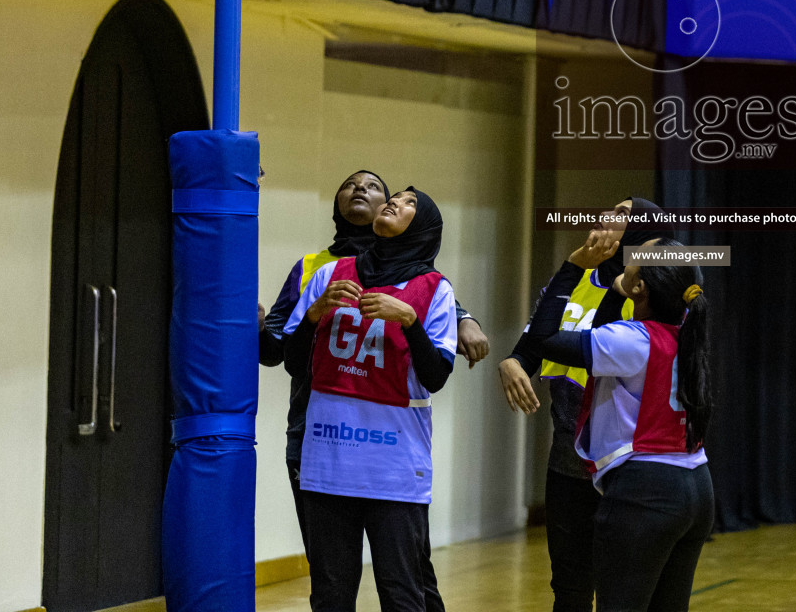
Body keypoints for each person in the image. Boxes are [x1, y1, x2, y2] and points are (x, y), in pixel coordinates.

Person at [259, 170, 489, 553]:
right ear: (337, 202)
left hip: (388, 445)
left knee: (410, 573)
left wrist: (465, 318)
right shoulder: (315, 268)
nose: (359, 189)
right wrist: (257, 328)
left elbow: (431, 312)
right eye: (349, 183)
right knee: (329, 569)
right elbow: (278, 351)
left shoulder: (420, 276)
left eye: (374, 186)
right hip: (315, 432)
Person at [283, 187, 458, 612]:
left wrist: (411, 323)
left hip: (394, 469)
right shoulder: (329, 276)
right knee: (330, 594)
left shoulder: (434, 290)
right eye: (395, 197)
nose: (396, 202)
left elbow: (435, 377)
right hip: (329, 460)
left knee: (402, 593)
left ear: (423, 227)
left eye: (411, 203)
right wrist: (312, 315)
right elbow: (292, 363)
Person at [498, 198, 666, 612]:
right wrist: (514, 361)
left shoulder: (655, 295)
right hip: (568, 460)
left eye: (623, 213)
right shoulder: (571, 279)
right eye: (608, 209)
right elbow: (535, 345)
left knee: (624, 593)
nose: (608, 215)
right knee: (570, 590)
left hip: (627, 464)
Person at [532, 233, 713, 612]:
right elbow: (603, 333)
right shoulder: (684, 335)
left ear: (642, 285)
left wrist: (572, 269)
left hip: (646, 493)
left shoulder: (633, 341)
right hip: (696, 486)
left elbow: (545, 338)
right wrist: (617, 293)